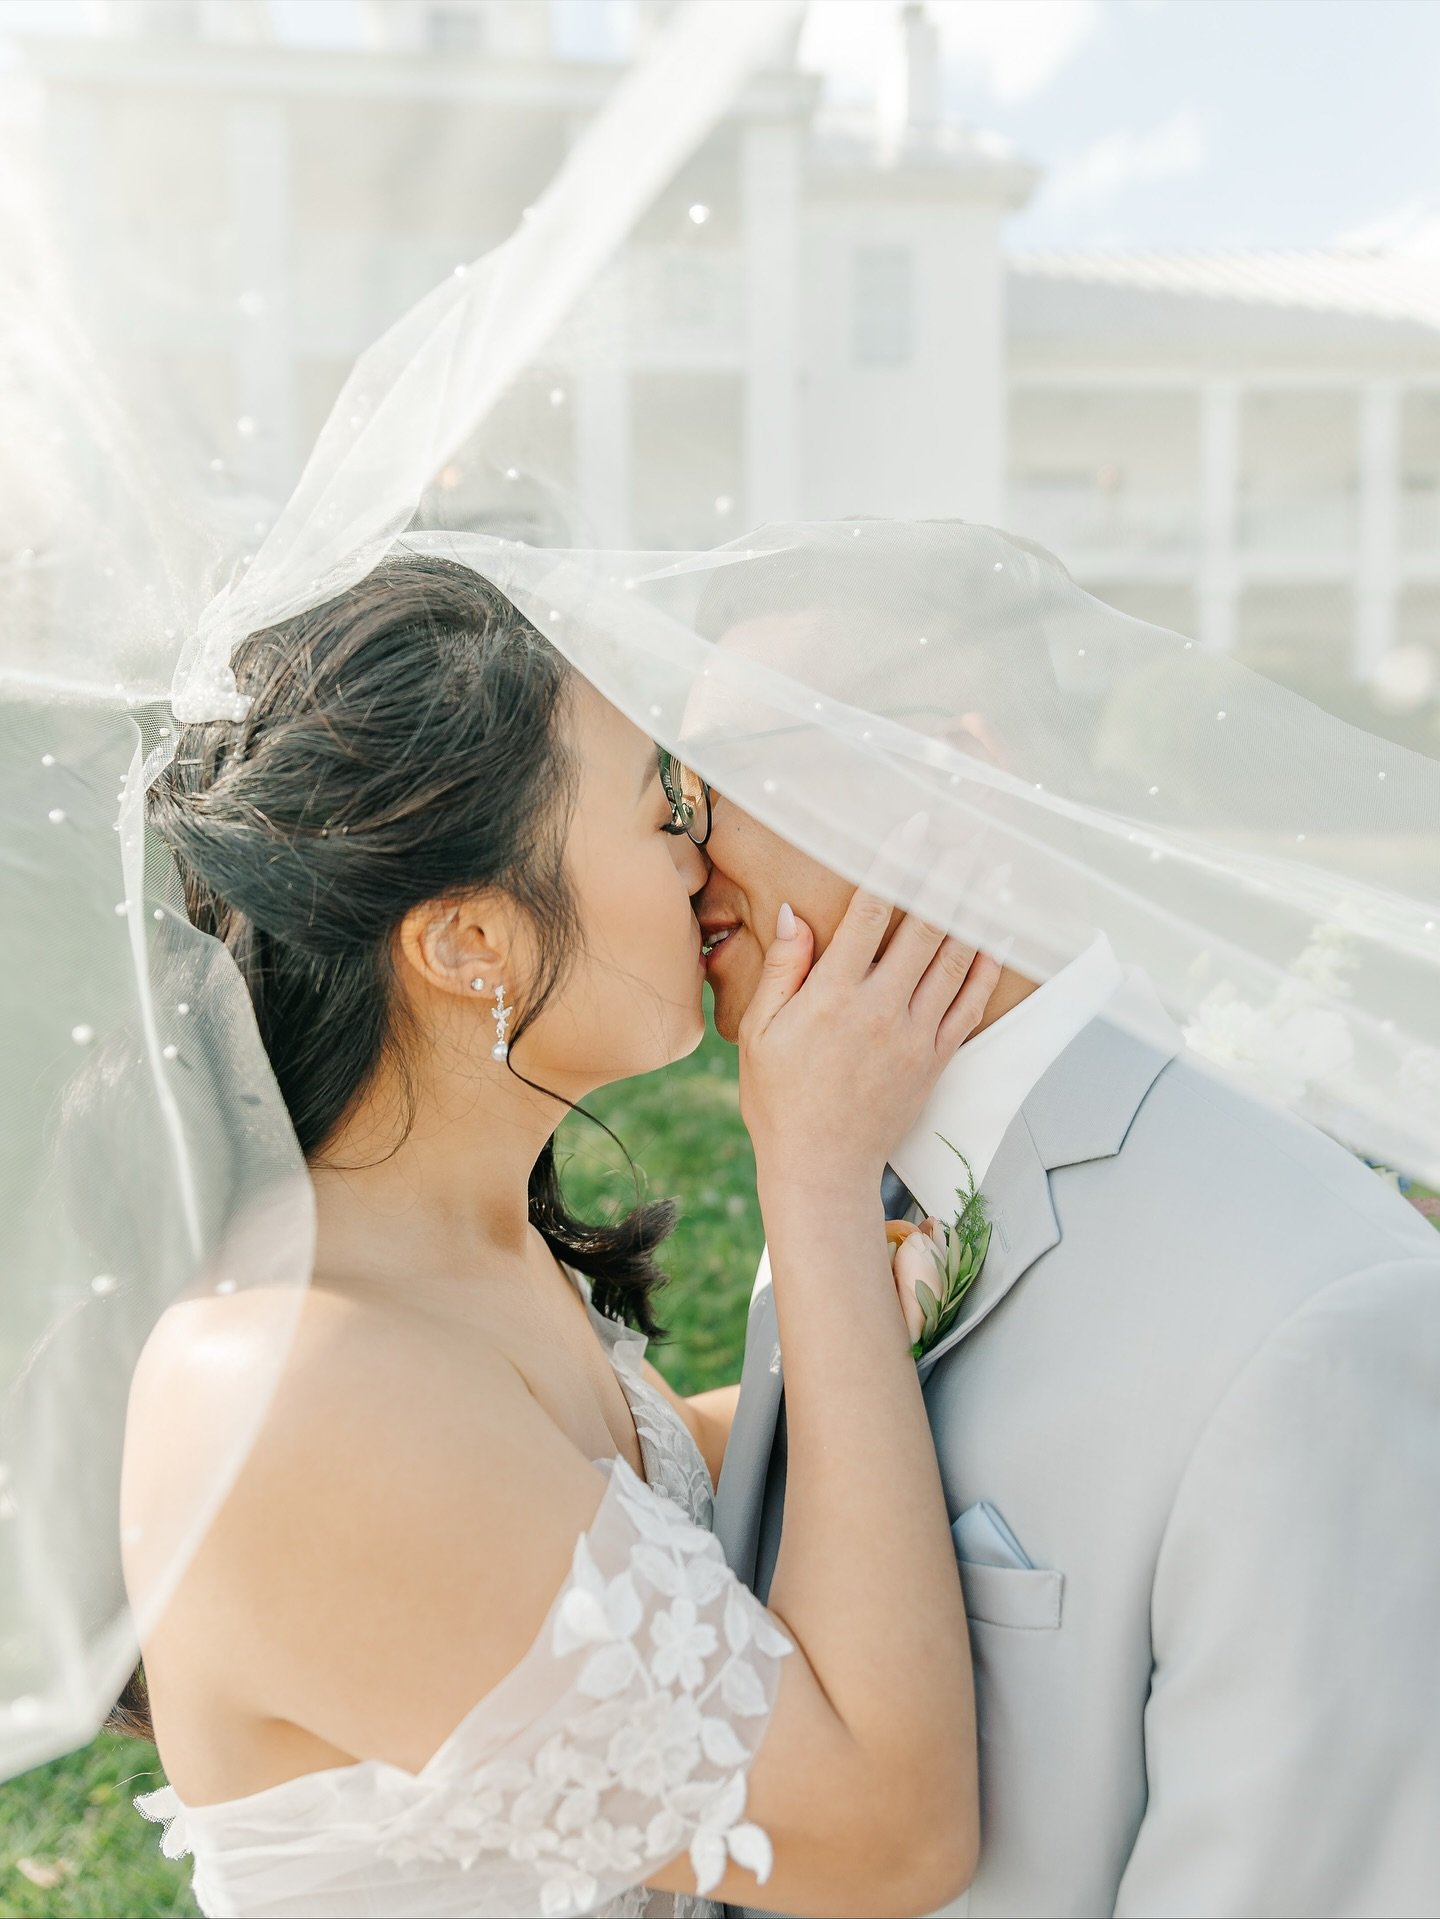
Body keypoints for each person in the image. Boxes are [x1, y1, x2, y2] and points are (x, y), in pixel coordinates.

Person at [118, 553, 1001, 1919]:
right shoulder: (295, 1384)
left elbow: (624, 1509)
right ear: (473, 937)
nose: (711, 857)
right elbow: (889, 1835)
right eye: (666, 810)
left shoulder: (453, 1255)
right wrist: (815, 1190)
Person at [701, 770, 1440, 1916]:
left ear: (938, 775)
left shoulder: (1317, 1315)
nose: (684, 843)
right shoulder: (835, 1147)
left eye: (719, 770)